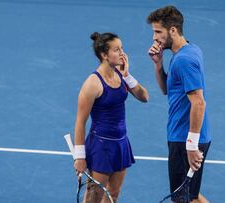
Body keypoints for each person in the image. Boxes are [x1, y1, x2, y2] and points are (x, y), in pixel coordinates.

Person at [73, 32, 149, 202]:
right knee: (94, 197)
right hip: (101, 147)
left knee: (113, 193)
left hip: (121, 143)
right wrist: (80, 156)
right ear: (104, 55)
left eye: (122, 48)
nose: (122, 53)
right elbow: (80, 122)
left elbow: (144, 97)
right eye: (116, 50)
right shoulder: (92, 83)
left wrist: (127, 75)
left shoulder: (121, 75)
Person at [147, 5, 211, 203]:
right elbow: (168, 89)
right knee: (190, 195)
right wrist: (158, 65)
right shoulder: (189, 50)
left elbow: (199, 103)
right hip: (187, 136)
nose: (154, 37)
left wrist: (190, 146)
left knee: (182, 199)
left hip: (185, 139)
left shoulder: (184, 60)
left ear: (172, 30)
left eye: (158, 32)